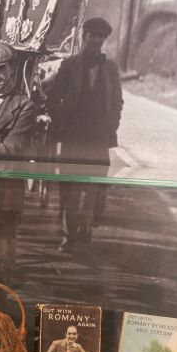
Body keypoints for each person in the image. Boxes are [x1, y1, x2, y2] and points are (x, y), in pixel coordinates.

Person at [47, 17, 124, 252]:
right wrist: (62, 123)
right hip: (73, 137)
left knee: (92, 189)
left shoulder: (110, 68)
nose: (97, 41)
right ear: (84, 36)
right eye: (93, 35)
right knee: (70, 189)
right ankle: (70, 237)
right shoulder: (70, 66)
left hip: (99, 139)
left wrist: (112, 125)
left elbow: (118, 101)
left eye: (101, 37)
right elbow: (52, 98)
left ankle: (85, 229)